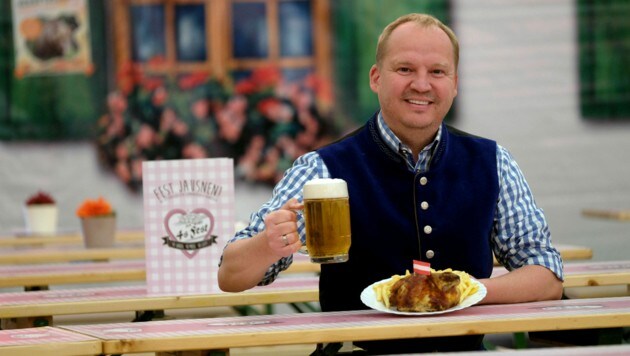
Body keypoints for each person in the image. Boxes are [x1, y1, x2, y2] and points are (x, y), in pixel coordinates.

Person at [218, 13, 564, 354]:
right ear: (375, 77)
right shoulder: (322, 168)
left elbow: (546, 274)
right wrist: (268, 243)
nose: (422, 84)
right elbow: (230, 276)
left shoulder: (493, 161)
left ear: (455, 84)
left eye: (437, 72)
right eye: (405, 69)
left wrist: (465, 291)